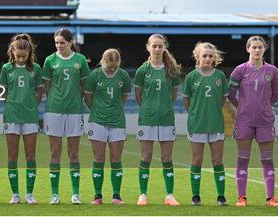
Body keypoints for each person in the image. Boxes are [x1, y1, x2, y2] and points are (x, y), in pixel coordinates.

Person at [228, 36, 278, 207]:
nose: (257, 50)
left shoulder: (272, 71)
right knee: (242, 159)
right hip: (244, 121)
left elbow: (276, 94)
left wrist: (264, 107)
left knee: (267, 160)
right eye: (254, 47)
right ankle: (241, 198)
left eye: (260, 47)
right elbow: (230, 94)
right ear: (248, 49)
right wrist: (242, 106)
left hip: (265, 122)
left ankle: (270, 198)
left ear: (264, 49)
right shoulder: (239, 70)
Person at [42, 28, 90, 205]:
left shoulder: (80, 60)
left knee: (73, 153)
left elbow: (85, 85)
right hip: (54, 110)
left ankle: (75, 194)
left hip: (75, 111)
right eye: (56, 43)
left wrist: (75, 100)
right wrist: (56, 99)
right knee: (55, 152)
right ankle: (54, 194)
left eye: (62, 42)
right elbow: (47, 86)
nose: (59, 46)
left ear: (70, 43)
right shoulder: (49, 60)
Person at [134, 33, 181, 206]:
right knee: (146, 157)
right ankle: (143, 195)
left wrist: (164, 108)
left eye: (160, 46)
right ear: (148, 47)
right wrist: (149, 108)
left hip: (167, 119)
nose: (157, 48)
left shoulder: (171, 70)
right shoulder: (142, 70)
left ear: (164, 47)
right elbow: (138, 96)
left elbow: (174, 95)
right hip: (147, 119)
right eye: (154, 45)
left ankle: (169, 195)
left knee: (167, 158)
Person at [182, 42, 229, 207]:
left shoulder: (220, 77)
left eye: (210, 56)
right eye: (204, 55)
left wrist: (212, 111)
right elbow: (186, 100)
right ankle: (195, 196)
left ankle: (221, 197)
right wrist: (196, 113)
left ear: (214, 58)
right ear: (198, 57)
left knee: (217, 160)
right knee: (197, 160)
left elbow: (223, 99)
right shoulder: (190, 77)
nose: (208, 58)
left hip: (216, 124)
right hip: (197, 124)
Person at [0, 34, 43, 204]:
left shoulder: (36, 69)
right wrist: (12, 103)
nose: (21, 58)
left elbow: (39, 92)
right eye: (18, 56)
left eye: (24, 56)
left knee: (31, 155)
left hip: (30, 117)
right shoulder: (6, 69)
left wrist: (31, 104)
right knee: (12, 156)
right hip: (11, 116)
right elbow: (2, 93)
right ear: (12, 52)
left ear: (29, 53)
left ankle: (30, 194)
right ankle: (15, 194)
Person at [84, 49, 131, 205]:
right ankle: (97, 196)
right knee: (98, 159)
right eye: (110, 66)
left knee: (116, 159)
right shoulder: (95, 75)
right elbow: (88, 98)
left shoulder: (123, 75)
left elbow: (124, 97)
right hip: (97, 121)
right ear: (103, 61)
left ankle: (116, 196)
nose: (113, 69)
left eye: (115, 66)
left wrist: (114, 110)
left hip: (117, 121)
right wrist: (98, 111)